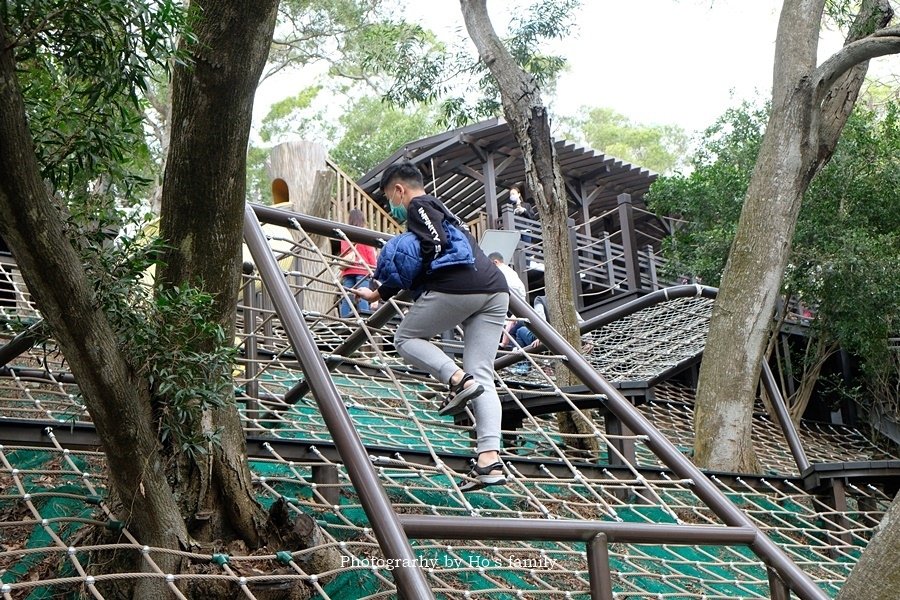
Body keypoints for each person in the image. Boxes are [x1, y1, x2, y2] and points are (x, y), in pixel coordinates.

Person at [352, 161, 510, 491]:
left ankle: (456, 379)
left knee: (405, 338)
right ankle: (489, 460)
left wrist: (411, 268)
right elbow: (425, 253)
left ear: (399, 189)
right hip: (495, 292)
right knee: (483, 373)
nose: (392, 206)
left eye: (389, 198)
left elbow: (432, 245)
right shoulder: (450, 217)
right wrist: (378, 293)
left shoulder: (420, 205)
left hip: (460, 287)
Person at [338, 209, 377, 318]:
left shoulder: (345, 234)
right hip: (363, 270)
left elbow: (344, 253)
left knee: (347, 297)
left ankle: (344, 321)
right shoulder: (364, 234)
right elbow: (370, 253)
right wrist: (374, 268)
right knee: (363, 295)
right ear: (362, 219)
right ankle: (365, 320)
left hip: (348, 270)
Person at [488, 252, 526, 350]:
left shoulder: (499, 272)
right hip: (518, 306)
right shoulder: (511, 272)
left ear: (495, 262)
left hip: (508, 303)